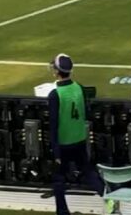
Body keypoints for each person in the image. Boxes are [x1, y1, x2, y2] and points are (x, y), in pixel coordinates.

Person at [47, 54, 105, 215]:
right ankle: (108, 198)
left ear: (57, 72)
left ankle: (62, 211)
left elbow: (53, 125)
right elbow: (85, 112)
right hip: (79, 139)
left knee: (59, 179)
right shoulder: (78, 87)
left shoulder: (55, 94)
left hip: (64, 142)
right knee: (88, 171)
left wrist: (56, 151)